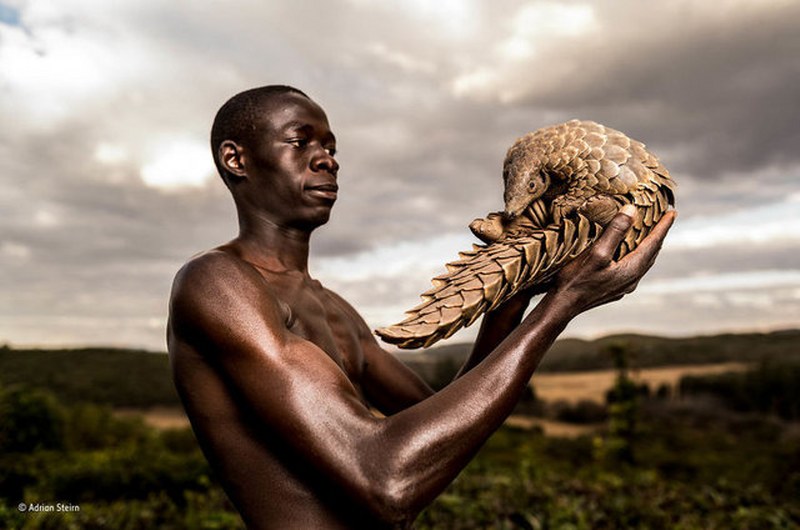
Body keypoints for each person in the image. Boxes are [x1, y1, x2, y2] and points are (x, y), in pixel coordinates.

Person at [167, 85, 676, 529]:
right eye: (301, 142)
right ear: (236, 160)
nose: (327, 159)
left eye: (331, 147)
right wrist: (563, 306)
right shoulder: (217, 284)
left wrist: (519, 286)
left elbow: (440, 425)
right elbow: (389, 481)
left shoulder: (333, 308)